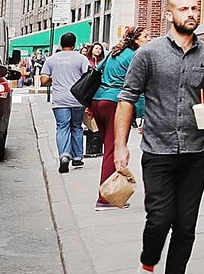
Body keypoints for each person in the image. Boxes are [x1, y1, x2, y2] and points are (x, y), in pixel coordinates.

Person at [111, 0, 204, 274]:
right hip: (158, 150)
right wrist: (121, 146)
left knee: (186, 225)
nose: (191, 13)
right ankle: (145, 269)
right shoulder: (148, 54)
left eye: (194, 7)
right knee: (160, 218)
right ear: (169, 14)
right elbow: (127, 98)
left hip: (195, 151)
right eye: (183, 8)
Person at [89, 26, 142, 210]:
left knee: (108, 148)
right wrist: (142, 114)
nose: (149, 39)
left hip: (98, 100)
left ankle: (109, 193)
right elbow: (138, 86)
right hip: (115, 104)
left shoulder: (114, 52)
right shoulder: (134, 56)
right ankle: (106, 198)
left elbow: (98, 69)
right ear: (136, 40)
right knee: (113, 150)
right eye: (146, 36)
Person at [40, 32, 92, 175]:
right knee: (76, 126)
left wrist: (55, 79)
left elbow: (43, 81)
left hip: (60, 100)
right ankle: (77, 156)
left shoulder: (51, 59)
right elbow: (88, 77)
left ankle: (64, 155)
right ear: (74, 44)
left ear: (60, 43)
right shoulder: (81, 58)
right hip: (77, 99)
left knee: (62, 127)